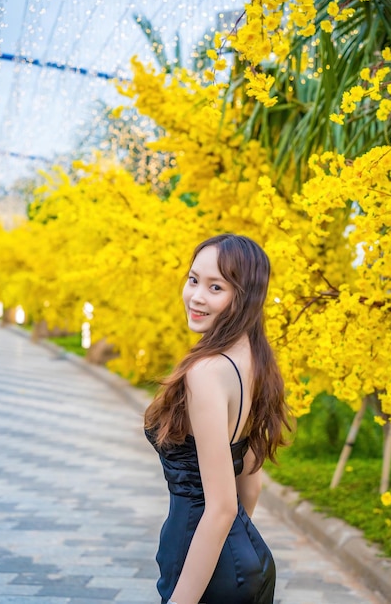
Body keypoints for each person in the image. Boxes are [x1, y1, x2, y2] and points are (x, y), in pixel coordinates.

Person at [144, 233, 291, 604]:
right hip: (245, 558)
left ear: (244, 297)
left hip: (204, 567)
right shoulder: (256, 360)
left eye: (216, 287)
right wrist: (236, 552)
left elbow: (223, 505)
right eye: (193, 280)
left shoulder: (207, 373)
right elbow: (250, 485)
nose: (196, 296)